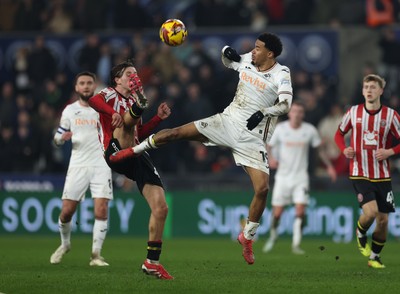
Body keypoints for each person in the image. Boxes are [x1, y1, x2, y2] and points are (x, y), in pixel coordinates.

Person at [109, 32, 293, 265]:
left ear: (271, 54)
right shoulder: (248, 59)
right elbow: (229, 61)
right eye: (253, 48)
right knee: (176, 133)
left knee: (263, 189)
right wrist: (227, 53)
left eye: (258, 48)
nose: (253, 51)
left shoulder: (281, 73)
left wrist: (264, 112)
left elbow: (286, 104)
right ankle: (134, 151)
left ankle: (247, 237)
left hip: (252, 137)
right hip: (227, 122)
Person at [88, 60, 173, 279]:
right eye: (129, 74)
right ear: (117, 79)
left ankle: (152, 262)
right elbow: (94, 100)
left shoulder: (133, 101)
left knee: (161, 207)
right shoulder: (108, 94)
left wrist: (157, 118)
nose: (133, 77)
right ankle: (145, 140)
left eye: (136, 74)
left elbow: (138, 132)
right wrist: (111, 112)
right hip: (114, 151)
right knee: (125, 121)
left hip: (135, 151)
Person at [334, 74, 399, 269]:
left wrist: (389, 151)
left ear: (380, 91)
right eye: (366, 87)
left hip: (382, 175)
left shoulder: (391, 116)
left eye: (373, 87)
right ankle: (361, 232)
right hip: (359, 171)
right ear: (362, 91)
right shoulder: (353, 112)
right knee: (371, 212)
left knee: (383, 220)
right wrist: (343, 149)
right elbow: (339, 134)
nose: (369, 90)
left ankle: (374, 257)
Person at [50, 71, 113, 266]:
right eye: (82, 83)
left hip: (101, 163)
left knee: (101, 209)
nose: (86, 86)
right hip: (78, 165)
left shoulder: (103, 109)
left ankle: (96, 255)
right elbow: (57, 138)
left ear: (94, 86)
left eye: (89, 83)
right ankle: (65, 244)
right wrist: (61, 138)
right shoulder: (70, 110)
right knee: (66, 212)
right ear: (76, 88)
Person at [262, 101, 337, 255]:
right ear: (290, 113)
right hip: (283, 178)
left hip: (301, 178)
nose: (296, 114)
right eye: (294, 111)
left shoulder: (309, 130)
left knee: (300, 212)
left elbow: (320, 150)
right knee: (277, 214)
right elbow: (268, 146)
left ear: (303, 114)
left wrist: (329, 166)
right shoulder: (281, 130)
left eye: (299, 112)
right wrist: (270, 158)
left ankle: (296, 244)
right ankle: (273, 237)